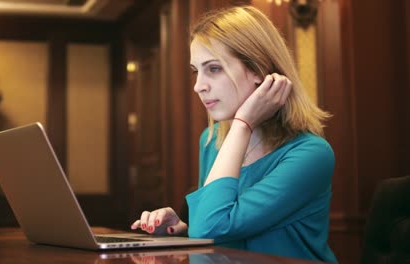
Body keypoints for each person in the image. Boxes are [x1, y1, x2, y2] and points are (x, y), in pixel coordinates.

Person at [131, 5, 337, 263]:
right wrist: (183, 230)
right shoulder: (212, 140)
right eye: (196, 71)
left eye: (214, 68)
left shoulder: (311, 154)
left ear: (259, 70)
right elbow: (222, 228)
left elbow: (211, 225)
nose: (198, 86)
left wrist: (242, 124)